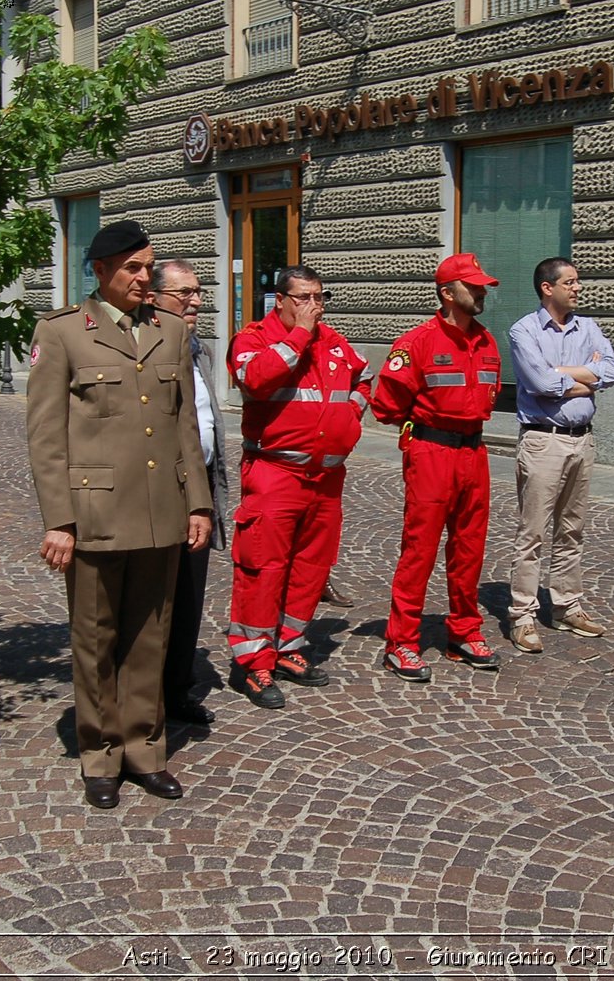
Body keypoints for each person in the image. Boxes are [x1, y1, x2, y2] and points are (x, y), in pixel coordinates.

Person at [26, 220, 213, 810]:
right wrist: (59, 519)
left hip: (161, 514)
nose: (144, 278)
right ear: (101, 271)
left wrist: (199, 503)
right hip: (95, 514)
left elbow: (184, 425)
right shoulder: (62, 334)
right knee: (96, 638)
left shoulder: (172, 333)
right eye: (132, 268)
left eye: (148, 268)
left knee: (150, 638)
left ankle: (144, 750)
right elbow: (46, 436)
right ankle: (100, 754)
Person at [226, 266, 372, 707]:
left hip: (326, 478)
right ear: (281, 300)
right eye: (305, 297)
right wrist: (299, 337)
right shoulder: (253, 338)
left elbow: (363, 378)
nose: (314, 306)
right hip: (276, 472)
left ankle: (289, 646)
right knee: (263, 569)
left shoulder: (334, 340)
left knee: (311, 566)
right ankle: (254, 664)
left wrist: (350, 414)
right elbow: (255, 379)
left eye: (320, 297)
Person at [370, 253, 504, 680]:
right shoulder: (417, 343)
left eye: (482, 286)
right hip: (431, 452)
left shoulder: (486, 341)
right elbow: (386, 405)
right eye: (473, 286)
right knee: (420, 550)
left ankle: (464, 632)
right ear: (447, 293)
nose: (481, 292)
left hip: (474, 454)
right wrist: (422, 427)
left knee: (469, 550)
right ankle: (402, 642)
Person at [505, 257, 614, 654]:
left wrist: (562, 373)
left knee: (571, 531)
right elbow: (538, 382)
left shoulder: (587, 326)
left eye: (578, 281)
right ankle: (522, 614)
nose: (578, 288)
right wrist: (585, 380)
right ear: (547, 288)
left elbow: (612, 370)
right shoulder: (524, 330)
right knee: (533, 532)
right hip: (543, 441)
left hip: (581, 440)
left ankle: (567, 606)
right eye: (570, 282)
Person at [151, 259, 228, 725]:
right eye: (184, 293)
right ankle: (146, 698)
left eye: (198, 292)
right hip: (157, 492)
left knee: (188, 595)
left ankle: (176, 689)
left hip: (197, 490)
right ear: (154, 296)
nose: (195, 301)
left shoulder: (199, 349)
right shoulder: (145, 346)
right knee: (152, 600)